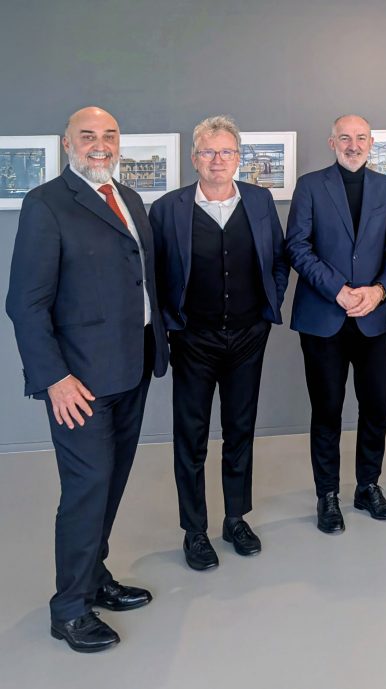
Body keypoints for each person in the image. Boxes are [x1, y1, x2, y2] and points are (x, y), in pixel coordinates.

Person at [6, 106, 169, 652]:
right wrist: (54, 379)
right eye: (88, 135)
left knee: (111, 482)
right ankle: (70, 610)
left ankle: (96, 578)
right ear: (67, 143)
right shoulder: (46, 203)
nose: (100, 144)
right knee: (86, 490)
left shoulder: (131, 199)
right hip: (79, 382)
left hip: (132, 368)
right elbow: (25, 304)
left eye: (109, 135)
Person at [149, 116, 289, 570]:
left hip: (249, 336)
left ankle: (235, 518)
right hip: (193, 339)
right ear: (194, 158)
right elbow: (155, 276)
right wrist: (171, 326)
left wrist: (268, 308)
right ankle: (194, 530)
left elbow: (278, 260)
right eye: (208, 152)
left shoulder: (259, 201)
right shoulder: (168, 209)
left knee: (240, 430)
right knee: (190, 437)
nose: (217, 160)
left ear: (238, 158)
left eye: (227, 152)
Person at [286, 114, 386, 532]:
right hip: (323, 317)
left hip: (373, 317)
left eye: (360, 138)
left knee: (376, 407)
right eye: (344, 138)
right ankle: (327, 495)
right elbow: (297, 247)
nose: (352, 145)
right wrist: (337, 290)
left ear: (371, 143)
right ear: (332, 142)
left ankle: (367, 486)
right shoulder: (309, 186)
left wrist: (379, 291)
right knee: (327, 411)